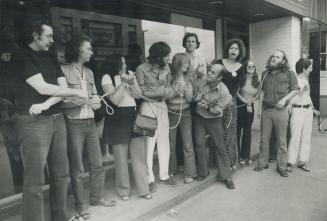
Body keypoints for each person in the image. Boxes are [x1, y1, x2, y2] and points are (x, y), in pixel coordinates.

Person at [11, 19, 87, 221]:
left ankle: (60, 217)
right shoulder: (21, 55)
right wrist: (76, 91)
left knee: (61, 174)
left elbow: (60, 89)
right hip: (32, 122)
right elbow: (43, 87)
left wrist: (46, 104)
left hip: (55, 118)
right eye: (49, 35)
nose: (53, 40)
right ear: (36, 35)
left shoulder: (51, 57)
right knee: (34, 180)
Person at [61, 34, 116, 219]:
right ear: (78, 50)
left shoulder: (90, 72)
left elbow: (95, 97)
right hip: (73, 123)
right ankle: (81, 205)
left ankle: (97, 197)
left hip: (90, 121)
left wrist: (96, 102)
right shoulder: (63, 70)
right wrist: (81, 101)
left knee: (97, 163)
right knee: (77, 168)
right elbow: (61, 100)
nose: (92, 52)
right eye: (89, 49)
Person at [101, 53, 152, 200]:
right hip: (117, 119)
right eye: (121, 63)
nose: (125, 65)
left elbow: (138, 96)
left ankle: (144, 189)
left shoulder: (130, 73)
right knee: (121, 158)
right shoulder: (107, 77)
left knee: (139, 156)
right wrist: (123, 84)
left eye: (125, 63)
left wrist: (132, 82)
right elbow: (116, 100)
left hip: (133, 116)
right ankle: (124, 191)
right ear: (114, 64)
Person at [135, 42, 176, 191]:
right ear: (158, 56)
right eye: (166, 56)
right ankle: (149, 178)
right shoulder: (141, 69)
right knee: (149, 143)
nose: (169, 58)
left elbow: (169, 85)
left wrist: (170, 92)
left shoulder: (167, 68)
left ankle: (164, 174)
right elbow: (140, 92)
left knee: (164, 140)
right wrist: (161, 92)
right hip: (148, 107)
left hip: (162, 106)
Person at [254, 50, 299, 177]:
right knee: (264, 139)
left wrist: (284, 99)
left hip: (281, 111)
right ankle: (262, 163)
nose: (274, 58)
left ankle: (282, 166)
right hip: (267, 111)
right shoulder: (265, 73)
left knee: (281, 140)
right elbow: (262, 92)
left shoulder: (289, 73)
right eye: (273, 56)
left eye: (277, 57)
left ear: (283, 61)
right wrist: (259, 110)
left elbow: (295, 90)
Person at [193, 63, 235, 189]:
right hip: (199, 117)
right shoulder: (203, 81)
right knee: (199, 144)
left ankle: (226, 176)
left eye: (213, 72)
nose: (209, 73)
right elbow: (195, 95)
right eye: (209, 70)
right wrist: (197, 98)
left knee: (220, 146)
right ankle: (203, 172)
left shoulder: (225, 92)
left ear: (220, 77)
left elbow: (218, 110)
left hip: (214, 119)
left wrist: (208, 107)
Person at [213, 38, 246, 170]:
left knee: (230, 132)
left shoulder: (241, 67)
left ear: (239, 52)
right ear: (227, 49)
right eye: (231, 48)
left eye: (236, 49)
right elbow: (214, 81)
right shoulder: (219, 63)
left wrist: (229, 99)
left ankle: (231, 161)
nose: (233, 50)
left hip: (231, 103)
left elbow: (237, 86)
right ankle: (217, 162)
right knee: (216, 132)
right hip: (216, 102)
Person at [167, 53, 197, 184]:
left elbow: (190, 99)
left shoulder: (188, 79)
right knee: (171, 143)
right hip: (171, 112)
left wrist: (185, 89)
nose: (187, 65)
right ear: (177, 63)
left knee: (188, 143)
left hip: (185, 113)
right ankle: (171, 170)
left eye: (188, 63)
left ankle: (190, 173)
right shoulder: (169, 78)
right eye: (184, 62)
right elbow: (166, 97)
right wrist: (174, 90)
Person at [287, 58, 320, 172]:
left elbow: (308, 96)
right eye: (309, 67)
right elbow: (291, 100)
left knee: (306, 138)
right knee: (295, 137)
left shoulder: (306, 79)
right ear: (304, 68)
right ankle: (290, 162)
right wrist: (302, 91)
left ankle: (302, 161)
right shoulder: (295, 80)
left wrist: (313, 108)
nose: (311, 70)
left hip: (308, 111)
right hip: (297, 111)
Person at [236, 59, 260, 165]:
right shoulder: (241, 78)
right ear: (245, 67)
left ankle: (246, 156)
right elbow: (236, 93)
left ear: (255, 68)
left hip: (250, 107)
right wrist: (246, 101)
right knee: (237, 131)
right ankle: (238, 157)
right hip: (240, 106)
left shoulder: (257, 79)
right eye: (248, 66)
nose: (250, 67)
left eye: (252, 66)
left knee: (247, 132)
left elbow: (259, 94)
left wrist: (252, 101)